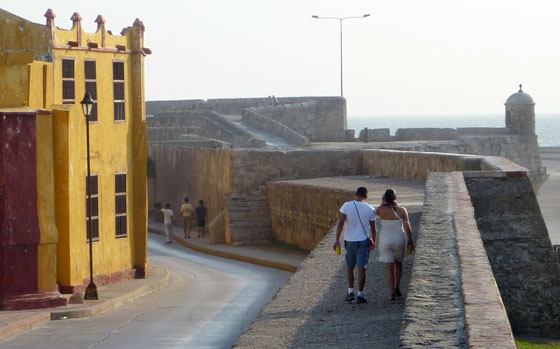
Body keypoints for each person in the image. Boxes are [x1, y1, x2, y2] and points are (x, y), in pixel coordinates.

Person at [334, 187, 377, 304]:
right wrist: (374, 241)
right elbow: (373, 228)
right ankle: (360, 295)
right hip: (363, 241)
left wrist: (337, 240)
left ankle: (350, 292)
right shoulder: (370, 209)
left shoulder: (346, 206)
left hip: (350, 240)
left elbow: (341, 224)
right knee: (362, 268)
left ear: (355, 194)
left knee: (350, 267)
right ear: (366, 196)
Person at [377, 189, 414, 300]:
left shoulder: (380, 209)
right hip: (399, 238)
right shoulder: (402, 210)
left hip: (385, 239)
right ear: (395, 198)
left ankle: (392, 293)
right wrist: (410, 241)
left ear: (384, 198)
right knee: (399, 264)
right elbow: (408, 227)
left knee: (389, 267)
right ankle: (397, 287)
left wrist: (382, 202)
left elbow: (377, 211)